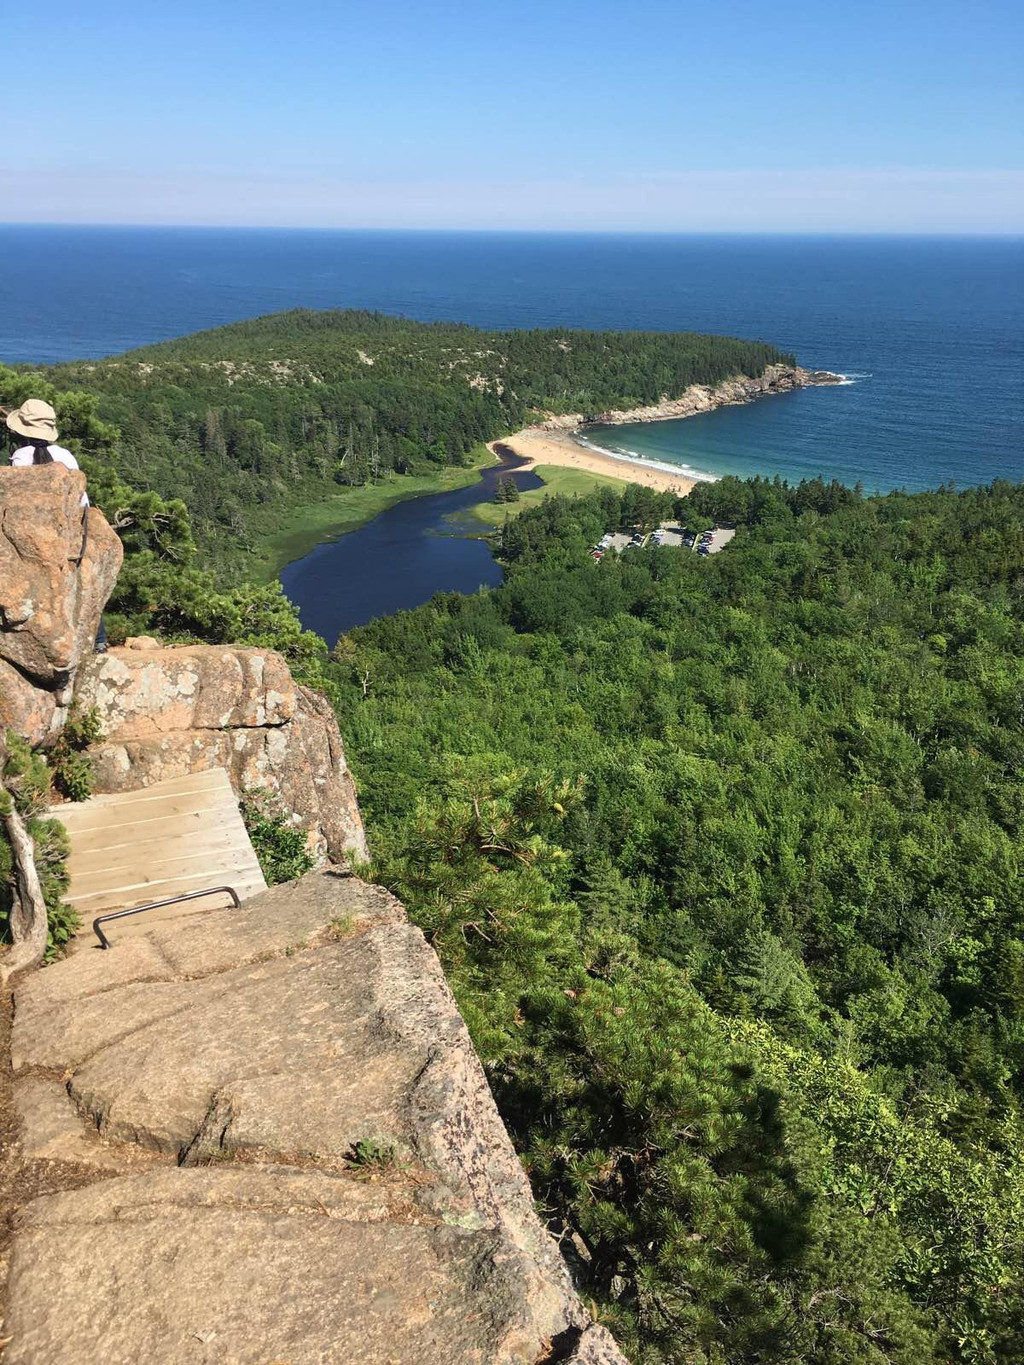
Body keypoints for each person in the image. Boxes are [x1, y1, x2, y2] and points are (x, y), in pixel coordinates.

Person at [5, 398, 107, 652]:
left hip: (31, 540)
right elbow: (83, 500)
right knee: (80, 587)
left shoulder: (20, 457)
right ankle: (99, 640)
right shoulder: (66, 456)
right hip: (70, 536)